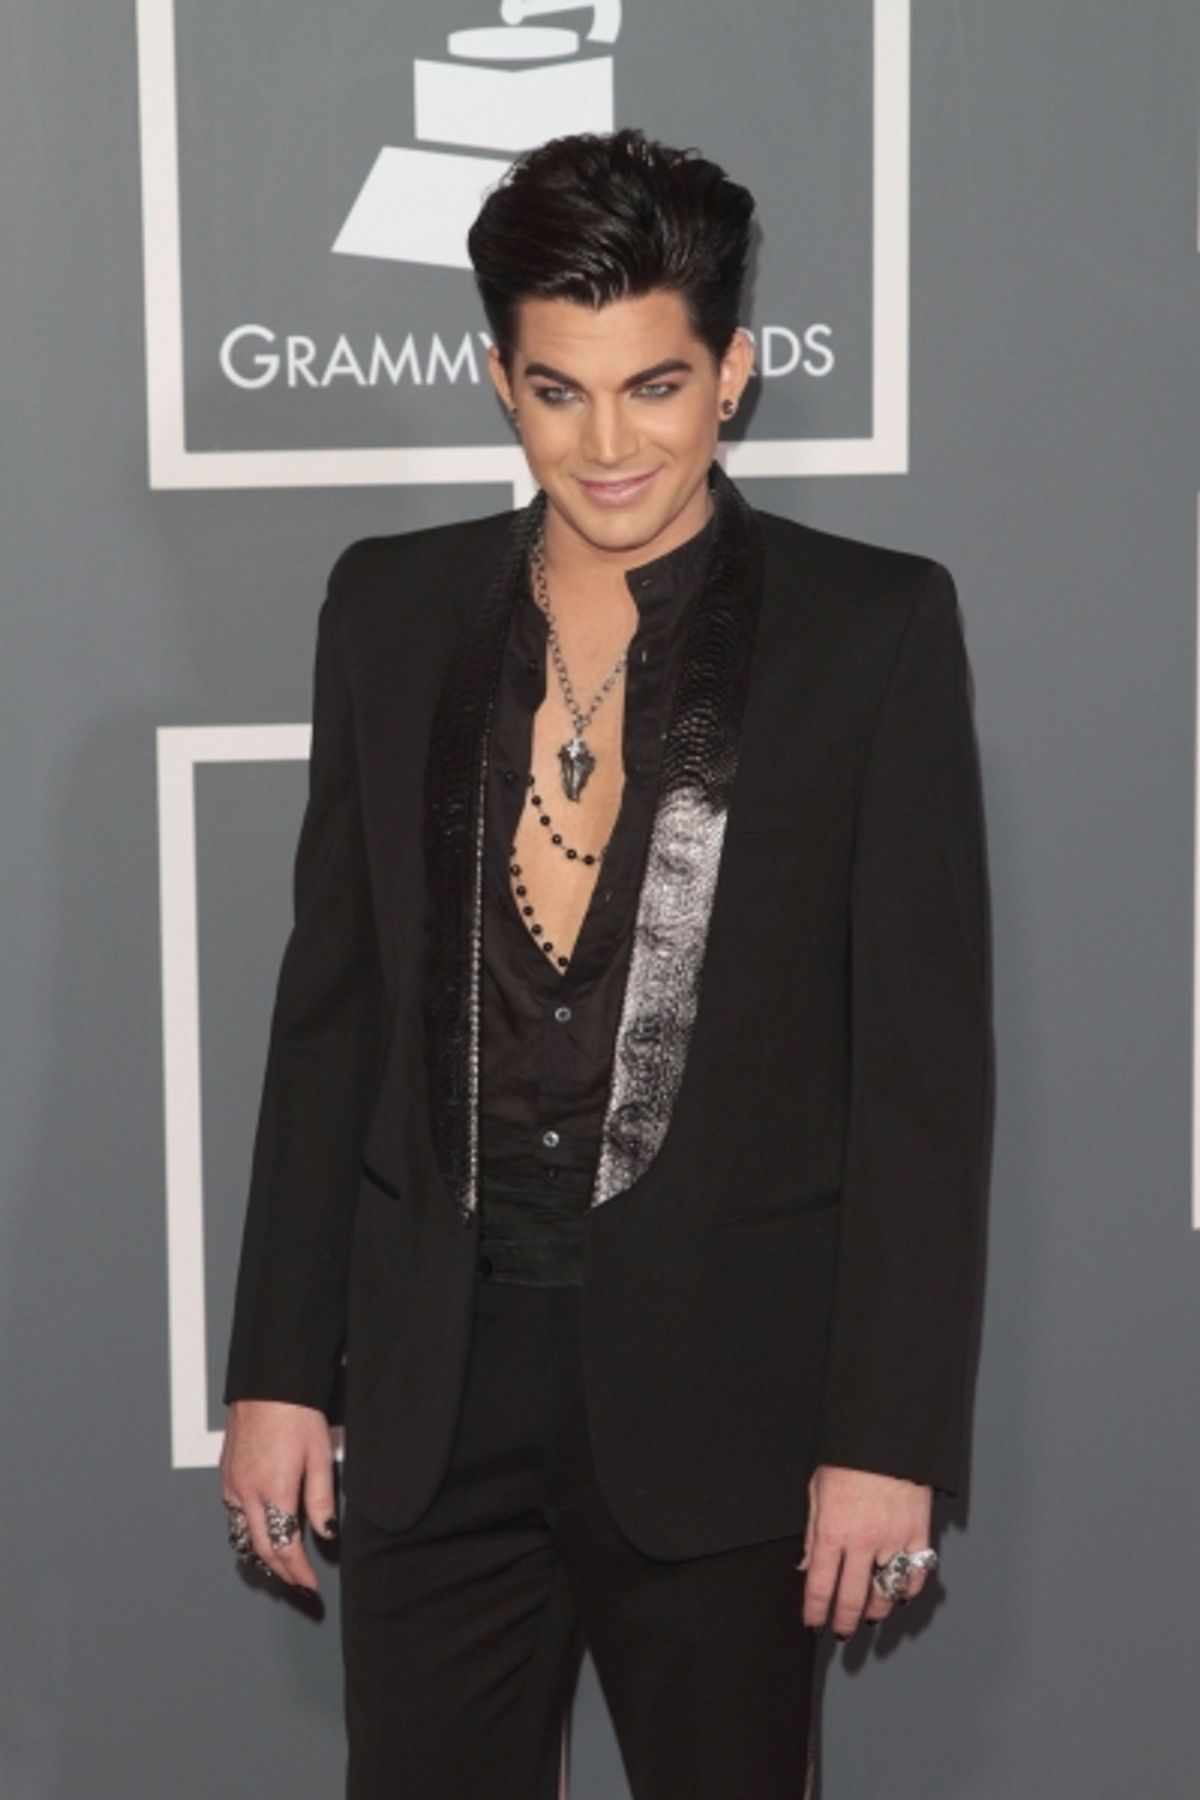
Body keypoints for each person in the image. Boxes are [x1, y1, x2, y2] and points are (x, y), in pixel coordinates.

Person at [219, 127, 991, 1799]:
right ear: (502, 381)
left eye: (656, 384)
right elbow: (330, 1012)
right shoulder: (390, 610)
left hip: (727, 1411)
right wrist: (279, 1370)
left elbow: (922, 1082)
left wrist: (889, 1439)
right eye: (561, 390)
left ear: (737, 373)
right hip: (433, 1400)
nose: (611, 441)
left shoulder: (875, 632)